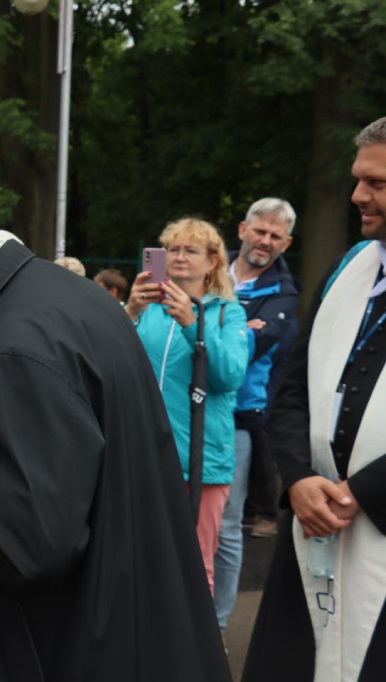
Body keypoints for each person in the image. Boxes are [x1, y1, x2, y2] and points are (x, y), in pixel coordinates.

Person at [0, 182, 231, 681]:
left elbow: (22, 542)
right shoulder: (55, 294)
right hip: (134, 614)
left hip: (73, 647)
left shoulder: (6, 350)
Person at [243, 117, 386, 682]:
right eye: (358, 179)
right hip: (316, 521)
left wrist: (364, 492)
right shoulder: (349, 268)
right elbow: (292, 389)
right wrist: (299, 478)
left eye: (376, 183)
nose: (357, 195)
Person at [126, 218, 249, 594]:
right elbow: (112, 362)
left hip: (201, 461)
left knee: (194, 565)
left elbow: (228, 377)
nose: (179, 257)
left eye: (191, 250)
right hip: (145, 455)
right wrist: (129, 310)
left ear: (212, 262)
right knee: (141, 559)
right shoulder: (149, 310)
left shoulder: (229, 313)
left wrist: (192, 323)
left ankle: (200, 651)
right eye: (173, 249)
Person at [212, 198, 300, 638]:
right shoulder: (210, 265)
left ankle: (217, 627)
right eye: (259, 231)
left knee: (227, 524)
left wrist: (208, 326)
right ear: (243, 228)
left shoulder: (284, 294)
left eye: (274, 236)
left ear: (286, 242)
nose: (264, 242)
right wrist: (234, 328)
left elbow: (245, 355)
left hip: (239, 420)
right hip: (179, 409)